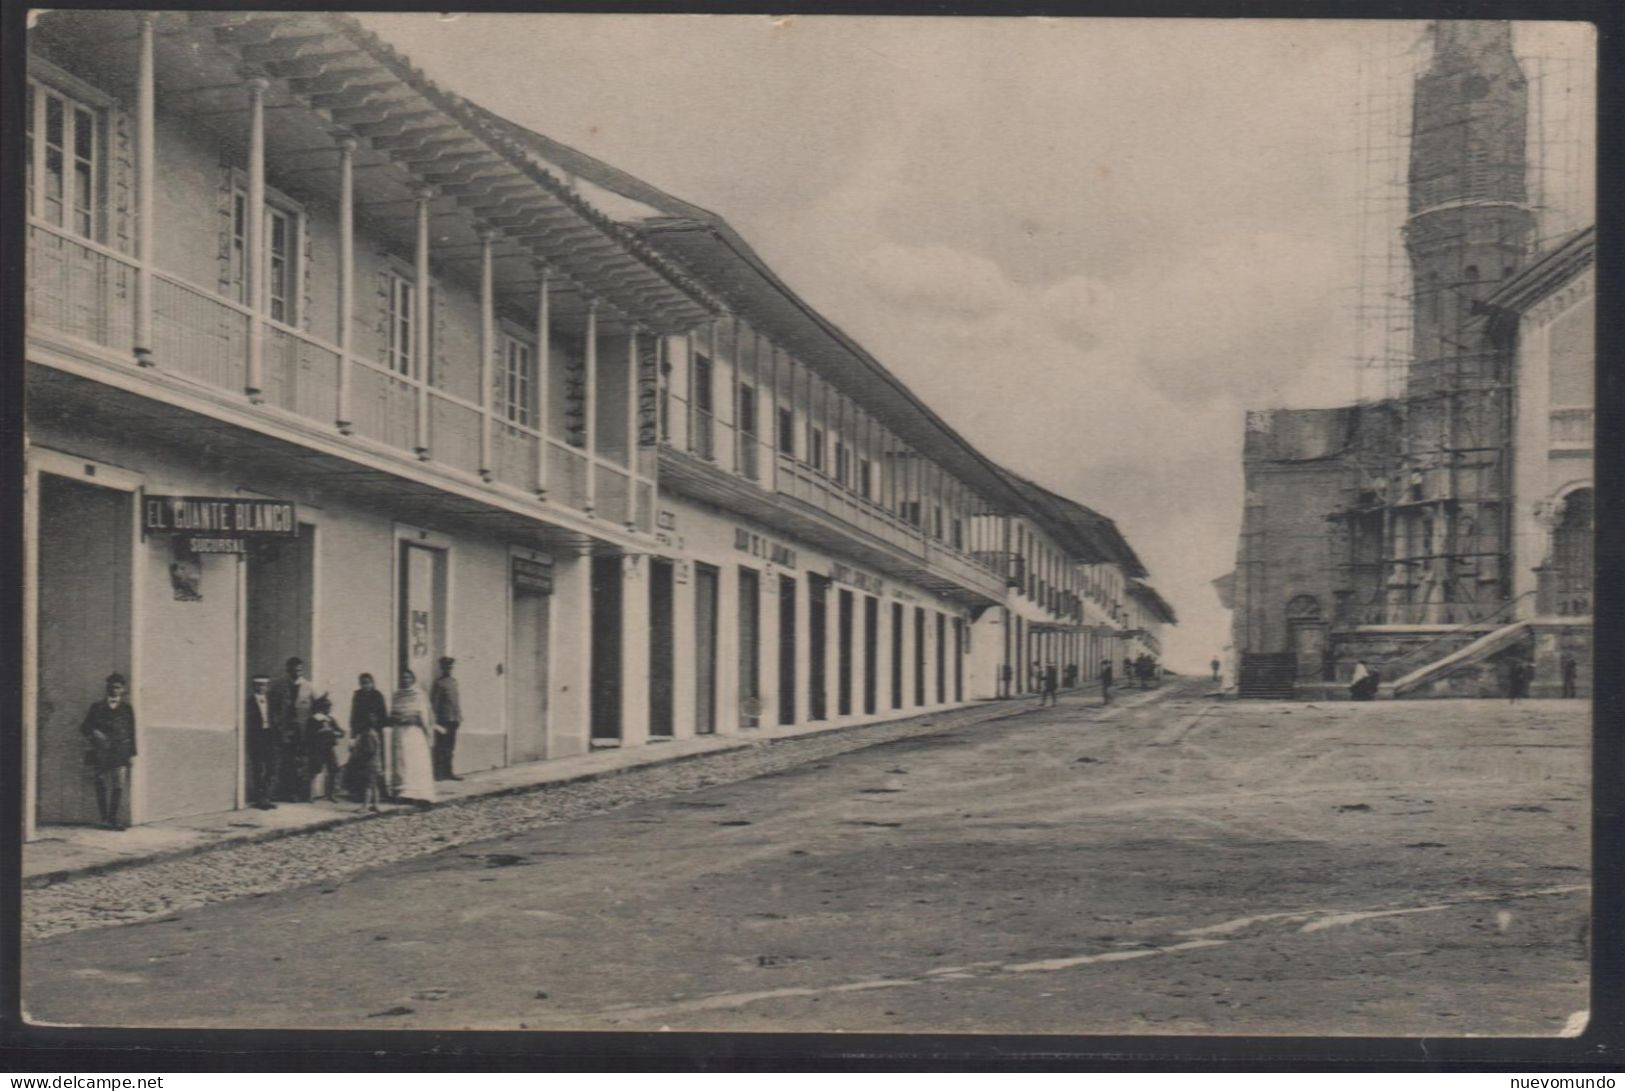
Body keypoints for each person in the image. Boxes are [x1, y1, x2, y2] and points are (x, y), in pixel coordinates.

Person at [80, 673, 136, 830]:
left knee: (118, 784)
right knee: (101, 782)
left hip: (120, 752)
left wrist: (131, 754)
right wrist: (95, 732)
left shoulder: (127, 709)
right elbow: (84, 727)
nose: (113, 690)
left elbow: (132, 733)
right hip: (101, 751)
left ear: (123, 689)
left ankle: (113, 819)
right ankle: (104, 819)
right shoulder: (96, 707)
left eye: (117, 687)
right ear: (106, 688)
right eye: (110, 686)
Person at [269, 656, 315, 801]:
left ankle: (299, 793)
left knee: (300, 762)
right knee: (285, 762)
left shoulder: (309, 687)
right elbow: (272, 707)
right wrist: (277, 723)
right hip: (284, 730)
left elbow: (318, 707)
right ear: (288, 670)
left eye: (299, 670)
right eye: (294, 670)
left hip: (302, 731)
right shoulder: (279, 686)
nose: (297, 673)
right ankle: (285, 793)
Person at [389, 668, 436, 804]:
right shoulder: (397, 695)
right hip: (399, 732)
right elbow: (392, 713)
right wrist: (397, 718)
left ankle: (419, 793)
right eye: (403, 677)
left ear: (412, 679)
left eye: (408, 677)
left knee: (415, 761)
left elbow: (424, 715)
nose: (405, 680)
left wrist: (426, 730)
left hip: (414, 732)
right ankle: (402, 792)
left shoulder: (419, 695)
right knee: (401, 762)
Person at [345, 672, 389, 802]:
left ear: (373, 683)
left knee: (374, 765)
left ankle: (378, 794)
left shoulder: (378, 696)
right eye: (363, 683)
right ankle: (360, 794)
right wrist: (353, 736)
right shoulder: (357, 695)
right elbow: (353, 716)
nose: (366, 686)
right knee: (360, 763)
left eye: (368, 683)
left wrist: (376, 721)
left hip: (375, 734)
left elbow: (384, 717)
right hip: (361, 734)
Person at [244, 673, 278, 810]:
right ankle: (260, 799)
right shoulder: (248, 702)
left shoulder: (271, 701)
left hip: (269, 736)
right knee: (258, 768)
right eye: (258, 685)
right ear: (254, 686)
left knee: (271, 766)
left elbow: (275, 718)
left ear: (267, 686)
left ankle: (267, 796)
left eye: (263, 685)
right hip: (256, 738)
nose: (261, 687)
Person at [430, 656, 463, 782]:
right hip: (443, 720)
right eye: (445, 667)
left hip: (453, 720)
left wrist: (459, 717)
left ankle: (449, 772)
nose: (448, 669)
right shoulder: (439, 683)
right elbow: (435, 703)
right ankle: (439, 774)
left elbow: (456, 702)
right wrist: (435, 721)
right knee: (441, 747)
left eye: (450, 667)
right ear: (441, 668)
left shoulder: (454, 682)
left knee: (450, 747)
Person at [306, 694, 344, 802]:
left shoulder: (330, 719)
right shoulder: (313, 720)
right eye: (327, 707)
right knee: (314, 770)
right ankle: (311, 795)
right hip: (317, 748)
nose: (329, 709)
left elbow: (341, 732)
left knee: (333, 769)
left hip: (329, 748)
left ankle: (330, 794)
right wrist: (321, 732)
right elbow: (309, 735)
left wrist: (337, 733)